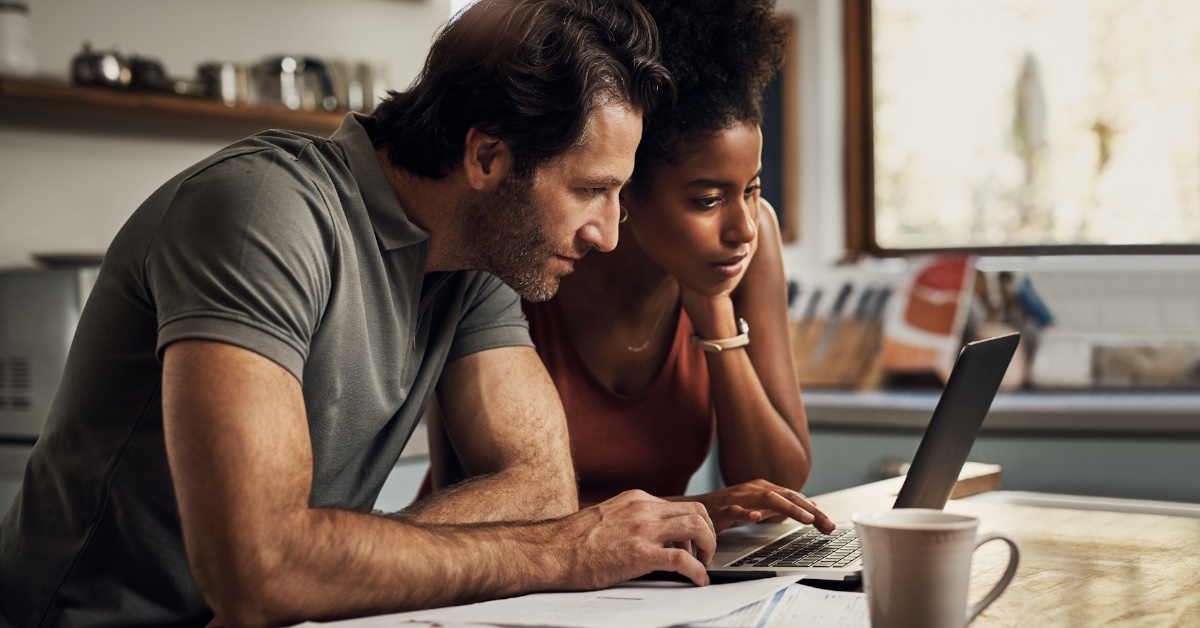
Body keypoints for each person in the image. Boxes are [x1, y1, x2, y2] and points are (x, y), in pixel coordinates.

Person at [0, 1, 722, 626]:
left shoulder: (481, 257)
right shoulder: (264, 213)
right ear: (487, 157)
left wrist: (326, 567)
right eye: (590, 190)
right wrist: (562, 553)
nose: (607, 234)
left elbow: (539, 491)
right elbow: (262, 571)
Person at [422, 0, 835, 536]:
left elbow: (777, 484)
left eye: (752, 189)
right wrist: (698, 510)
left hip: (639, 581)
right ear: (626, 188)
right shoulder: (529, 253)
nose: (743, 228)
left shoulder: (745, 249)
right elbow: (487, 497)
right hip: (486, 568)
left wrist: (712, 312)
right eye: (707, 200)